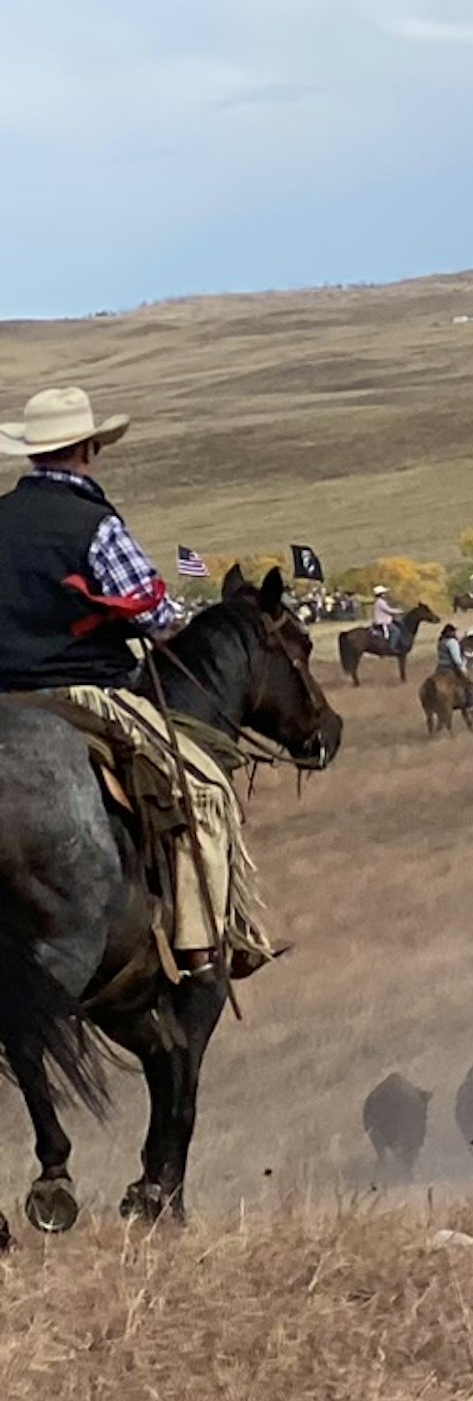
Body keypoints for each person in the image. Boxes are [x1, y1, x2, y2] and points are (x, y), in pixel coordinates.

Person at [0, 383, 273, 982]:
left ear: (32, 454)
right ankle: (202, 948)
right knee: (203, 788)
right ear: (90, 449)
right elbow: (157, 619)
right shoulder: (94, 524)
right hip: (81, 693)